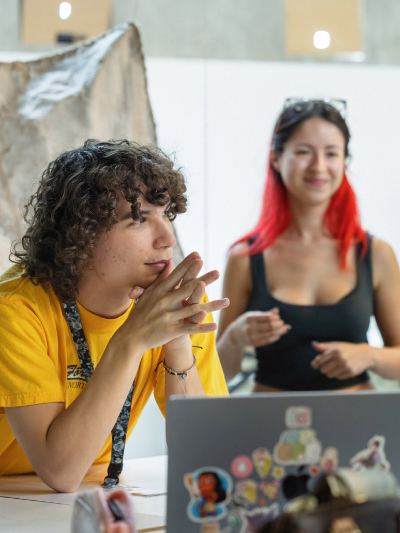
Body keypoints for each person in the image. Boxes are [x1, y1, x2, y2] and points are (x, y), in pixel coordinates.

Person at [0, 140, 229, 492]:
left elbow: (210, 458)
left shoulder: (176, 304)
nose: (167, 238)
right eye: (138, 219)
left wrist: (178, 344)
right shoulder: (14, 310)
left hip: (79, 498)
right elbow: (60, 471)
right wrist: (133, 338)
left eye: (166, 214)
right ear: (80, 234)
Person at [216, 99, 400, 392]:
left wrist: (370, 356)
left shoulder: (375, 254)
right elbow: (217, 374)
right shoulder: (245, 258)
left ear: (344, 162)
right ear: (276, 158)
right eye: (304, 152)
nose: (319, 166)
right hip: (268, 430)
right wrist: (236, 336)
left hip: (357, 428)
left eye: (331, 154)